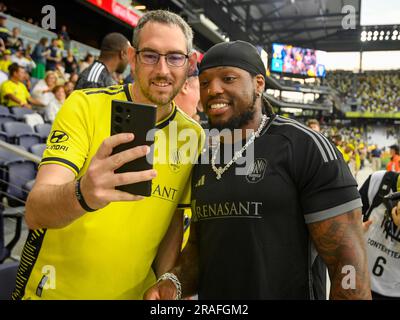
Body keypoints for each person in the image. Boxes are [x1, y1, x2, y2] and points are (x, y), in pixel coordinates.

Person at [145, 40, 371, 300]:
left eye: (228, 78)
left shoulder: (305, 147)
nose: (213, 89)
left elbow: (349, 268)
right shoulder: (203, 154)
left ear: (259, 84)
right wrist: (173, 282)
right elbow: (199, 249)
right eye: (205, 82)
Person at [12, 9, 202, 300]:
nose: (163, 70)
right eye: (150, 55)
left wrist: (167, 280)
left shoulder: (193, 135)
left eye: (174, 57)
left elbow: (173, 219)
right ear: (131, 56)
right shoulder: (83, 106)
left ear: (189, 64)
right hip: (54, 292)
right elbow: (35, 212)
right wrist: (83, 193)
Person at [360, 170, 400, 299]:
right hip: (358, 280)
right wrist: (353, 232)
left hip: (394, 291)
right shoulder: (379, 180)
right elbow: (346, 219)